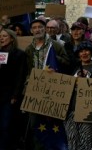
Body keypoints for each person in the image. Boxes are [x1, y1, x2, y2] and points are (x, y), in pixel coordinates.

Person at [24, 18, 70, 150]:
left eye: (40, 27)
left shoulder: (55, 45)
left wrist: (54, 59)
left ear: (45, 29)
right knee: (35, 123)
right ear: (31, 31)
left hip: (53, 90)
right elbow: (27, 69)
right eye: (35, 27)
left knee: (53, 123)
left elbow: (67, 63)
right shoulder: (29, 49)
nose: (37, 29)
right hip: (35, 89)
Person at [64, 41, 92, 150]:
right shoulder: (72, 67)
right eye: (81, 51)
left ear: (91, 52)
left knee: (86, 139)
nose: (84, 53)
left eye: (86, 50)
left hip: (88, 110)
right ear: (78, 54)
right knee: (71, 137)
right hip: (71, 109)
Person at [0, 28, 27, 150]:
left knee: (6, 125)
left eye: (4, 36)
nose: (1, 38)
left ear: (11, 38)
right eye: (0, 36)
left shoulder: (19, 54)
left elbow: (20, 76)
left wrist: (15, 95)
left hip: (9, 96)